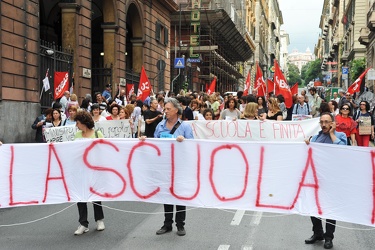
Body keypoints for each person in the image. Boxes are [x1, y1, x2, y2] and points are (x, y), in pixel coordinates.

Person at [141, 98, 193, 236]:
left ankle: (180, 225)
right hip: (164, 166)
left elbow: (193, 146)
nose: (166, 111)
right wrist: (144, 140)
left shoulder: (185, 127)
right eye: (165, 109)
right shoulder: (160, 126)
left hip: (180, 166)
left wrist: (185, 141)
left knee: (180, 195)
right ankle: (167, 224)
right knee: (167, 195)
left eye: (168, 109)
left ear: (176, 110)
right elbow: (155, 144)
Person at [304, 112, 346, 249]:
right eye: (321, 122)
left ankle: (329, 237)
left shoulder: (340, 136)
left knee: (330, 209)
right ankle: (318, 233)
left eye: (327, 122)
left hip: (332, 180)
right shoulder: (316, 138)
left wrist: (333, 134)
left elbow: (342, 151)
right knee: (313, 206)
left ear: (333, 123)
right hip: (316, 178)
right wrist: (307, 145)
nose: (323, 125)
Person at [73, 110, 105, 235]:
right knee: (80, 197)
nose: (76, 125)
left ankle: (99, 220)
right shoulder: (77, 136)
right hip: (81, 171)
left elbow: (104, 150)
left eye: (78, 122)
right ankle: (83, 223)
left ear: (84, 122)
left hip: (95, 170)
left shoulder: (98, 134)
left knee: (96, 196)